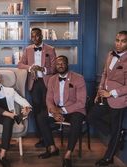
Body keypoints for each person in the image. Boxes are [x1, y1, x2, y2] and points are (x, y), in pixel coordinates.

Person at [37, 55, 86, 167]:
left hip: (74, 110)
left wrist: (62, 111)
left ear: (67, 64)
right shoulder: (51, 79)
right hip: (57, 110)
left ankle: (68, 154)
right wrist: (54, 112)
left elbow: (81, 102)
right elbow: (49, 99)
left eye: (63, 63)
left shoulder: (78, 78)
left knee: (77, 121)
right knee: (41, 117)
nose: (60, 65)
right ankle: (52, 148)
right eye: (58, 63)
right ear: (55, 66)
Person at [88, 31, 127, 166]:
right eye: (117, 40)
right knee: (91, 116)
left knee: (115, 129)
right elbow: (105, 74)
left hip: (119, 100)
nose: (119, 43)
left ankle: (108, 158)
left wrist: (111, 93)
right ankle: (118, 134)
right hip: (104, 96)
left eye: (123, 41)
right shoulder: (110, 54)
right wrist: (99, 92)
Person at [18, 27, 56, 147]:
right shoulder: (28, 49)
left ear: (42, 36)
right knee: (37, 111)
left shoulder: (50, 49)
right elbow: (20, 64)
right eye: (33, 36)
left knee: (46, 110)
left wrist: (42, 69)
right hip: (34, 83)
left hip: (47, 83)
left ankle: (48, 138)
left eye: (37, 36)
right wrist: (30, 68)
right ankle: (41, 138)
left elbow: (55, 68)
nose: (35, 38)